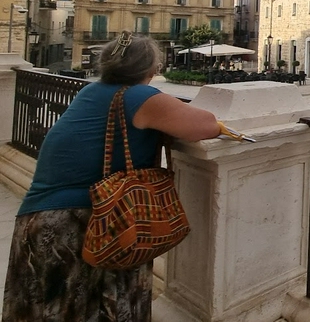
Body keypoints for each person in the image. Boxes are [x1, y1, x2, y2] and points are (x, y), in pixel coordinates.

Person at [2, 31, 224, 321]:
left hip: (40, 220)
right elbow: (205, 125)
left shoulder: (90, 91)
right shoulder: (139, 96)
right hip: (87, 224)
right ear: (151, 69)